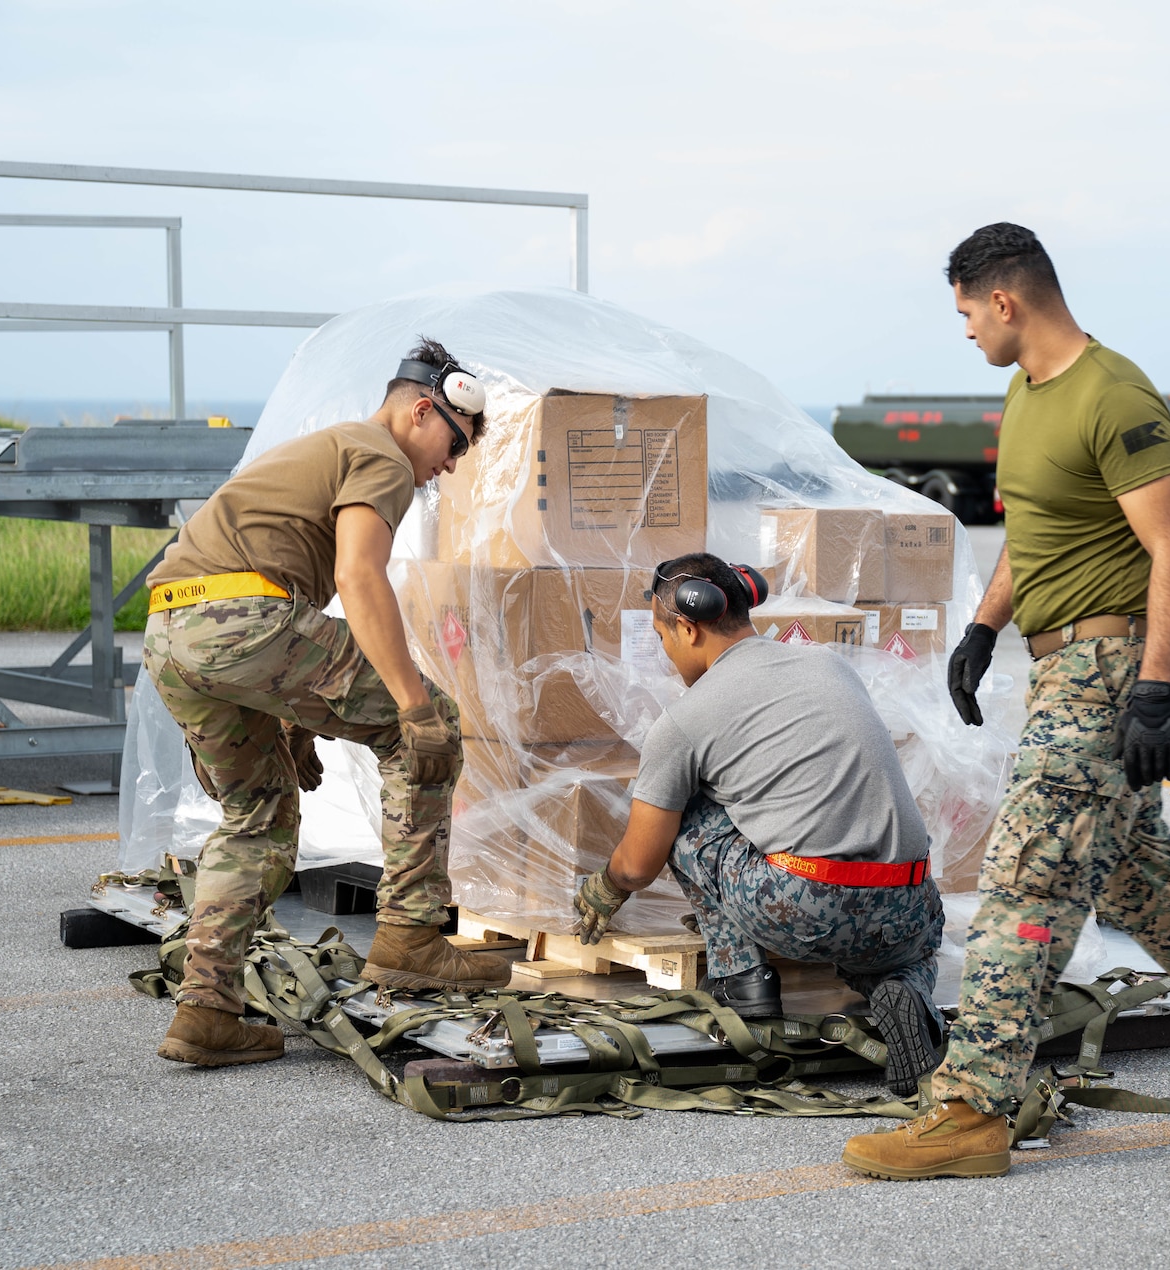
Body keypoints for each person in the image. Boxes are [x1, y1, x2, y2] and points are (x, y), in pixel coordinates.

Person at [842, 223, 1170, 1182]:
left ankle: (973, 1107)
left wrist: (1155, 690)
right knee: (1133, 883)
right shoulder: (1027, 393)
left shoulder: (1113, 395)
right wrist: (983, 630)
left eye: (963, 313)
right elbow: (1036, 534)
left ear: (1005, 301)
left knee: (1026, 877)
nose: (963, 333)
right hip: (1056, 664)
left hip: (1108, 674)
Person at [142, 338, 513, 1067]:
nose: (452, 464)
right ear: (419, 408)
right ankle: (411, 935)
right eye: (455, 442)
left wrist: (292, 713)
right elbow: (360, 575)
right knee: (426, 730)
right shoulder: (378, 454)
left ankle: (207, 1009)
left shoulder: (324, 448)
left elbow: (279, 576)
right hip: (244, 624)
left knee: (259, 813)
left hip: (170, 633)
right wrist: (411, 702)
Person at [569, 555, 948, 1096]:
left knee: (684, 818)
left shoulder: (685, 720)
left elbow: (638, 861)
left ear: (688, 626)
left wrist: (603, 888)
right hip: (909, 901)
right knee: (901, 953)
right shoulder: (829, 667)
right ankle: (902, 989)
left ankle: (742, 982)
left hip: (806, 904)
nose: (666, 651)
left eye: (662, 635)